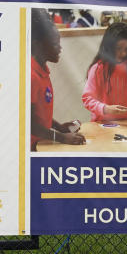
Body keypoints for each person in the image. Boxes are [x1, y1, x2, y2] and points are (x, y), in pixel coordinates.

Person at [31, 8, 86, 149]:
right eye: (55, 44)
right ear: (38, 45)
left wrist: (59, 127)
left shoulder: (43, 71)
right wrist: (60, 137)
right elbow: (28, 122)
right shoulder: (31, 76)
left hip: (41, 143)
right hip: (31, 149)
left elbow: (39, 116)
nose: (60, 49)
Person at [81, 21, 127, 121]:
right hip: (101, 125)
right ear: (109, 46)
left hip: (126, 124)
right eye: (118, 48)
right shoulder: (98, 68)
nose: (123, 53)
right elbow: (87, 99)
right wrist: (105, 109)